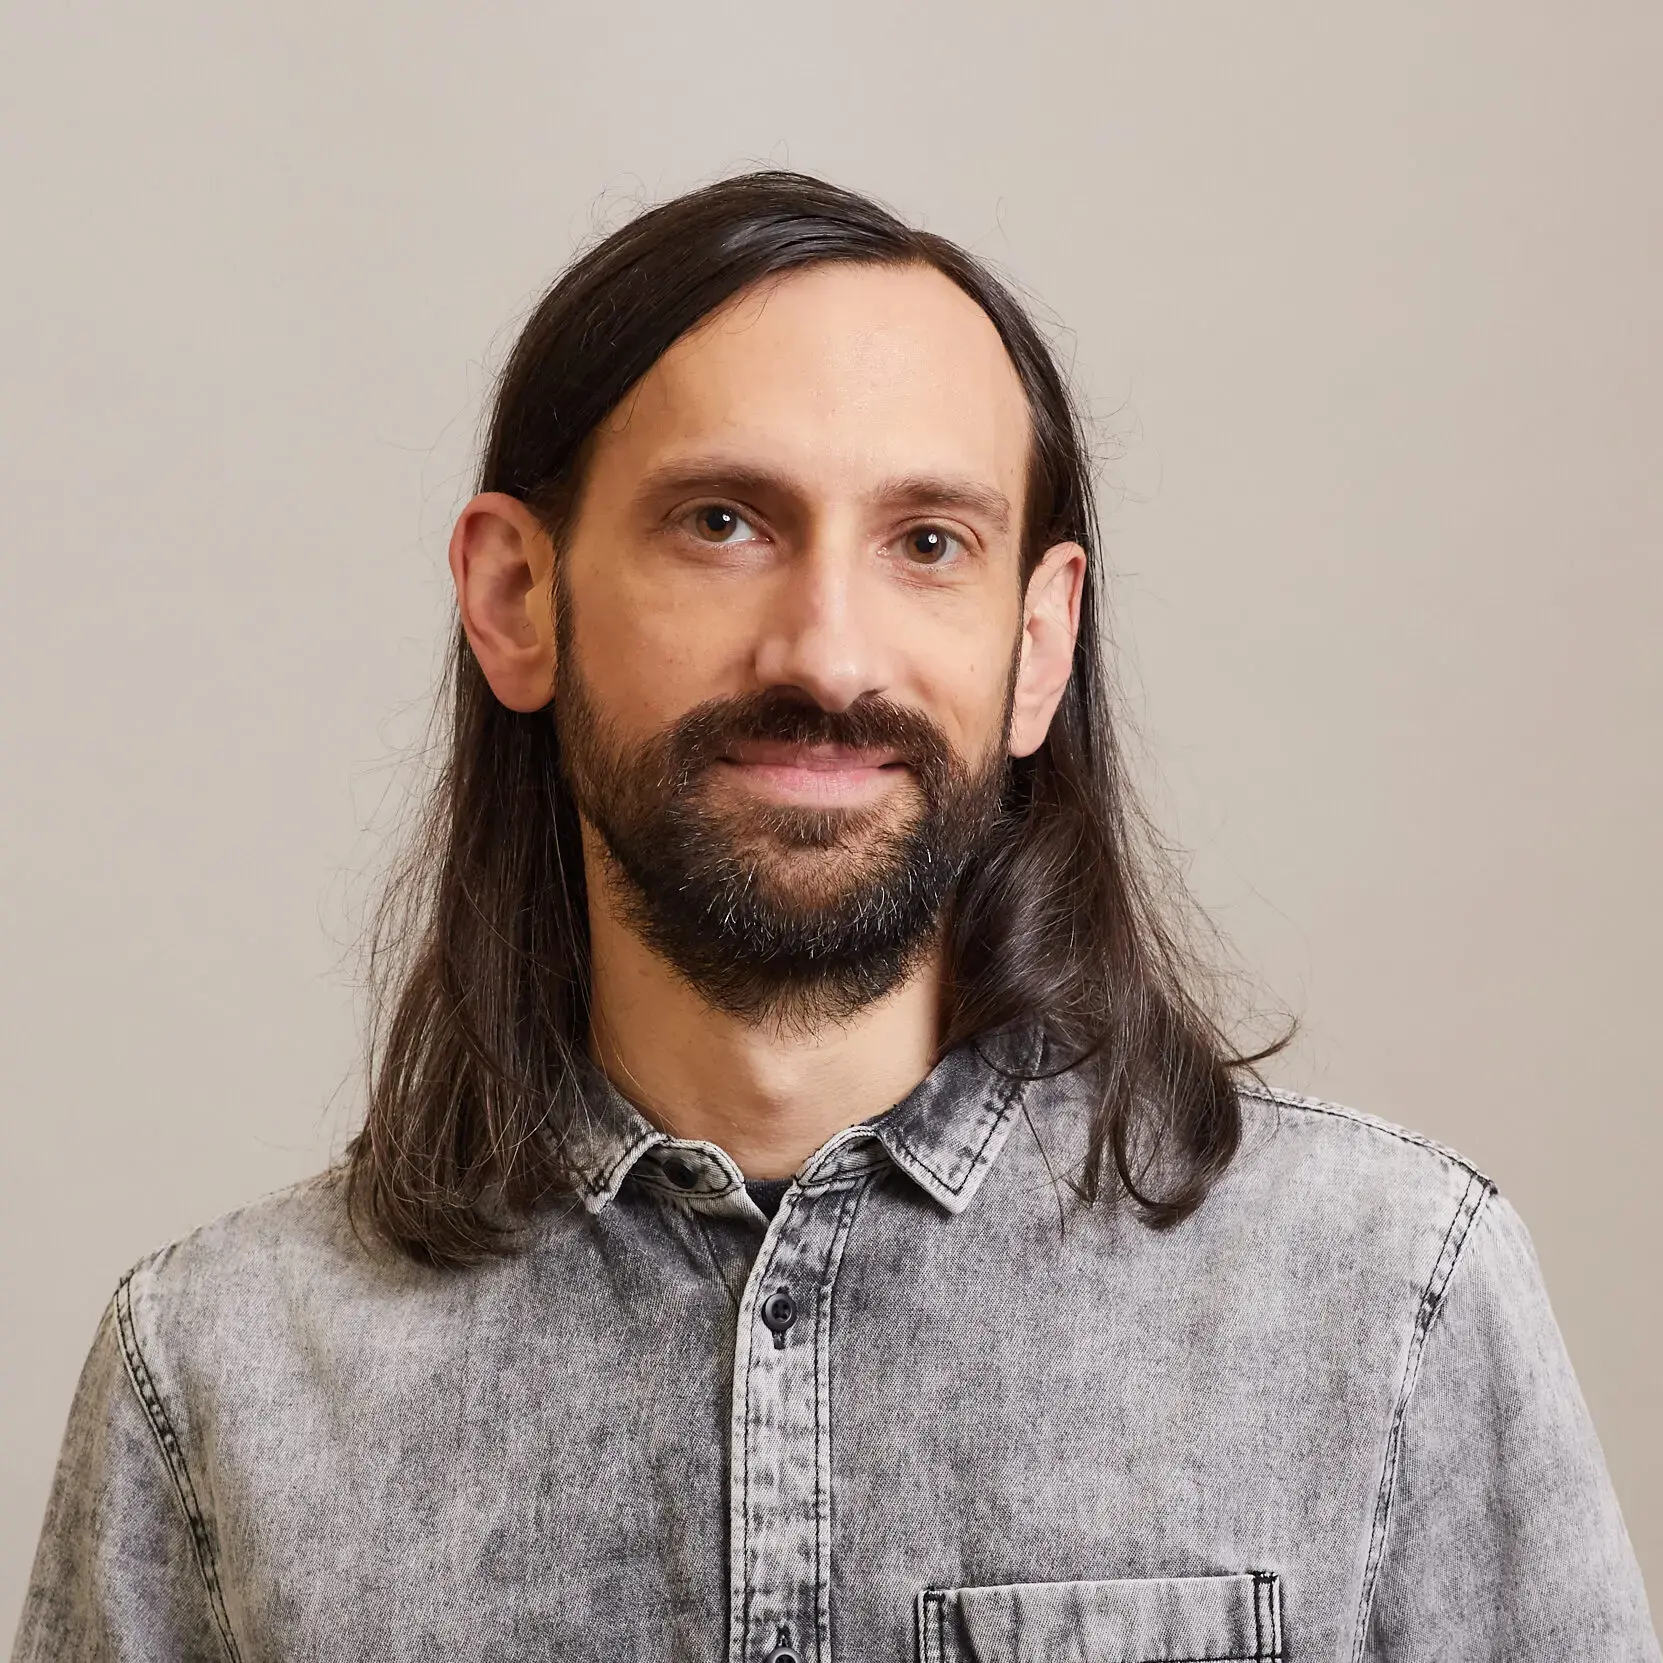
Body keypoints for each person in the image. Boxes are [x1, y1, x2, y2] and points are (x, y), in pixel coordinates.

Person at [11, 169, 1657, 1663]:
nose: (828, 651)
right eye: (722, 523)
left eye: (927, 542)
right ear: (517, 597)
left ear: (1038, 641)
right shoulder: (218, 1378)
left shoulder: (1383, 1299)